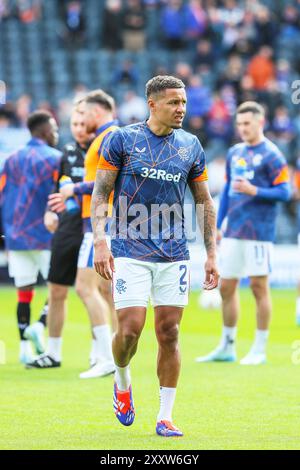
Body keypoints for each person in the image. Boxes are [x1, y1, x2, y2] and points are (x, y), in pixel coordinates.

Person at [91, 75, 219, 437]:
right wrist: (100, 241)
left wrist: (211, 253)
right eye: (174, 102)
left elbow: (204, 202)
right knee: (130, 330)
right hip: (129, 247)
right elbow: (101, 194)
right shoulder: (122, 139)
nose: (181, 109)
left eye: (183, 102)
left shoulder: (191, 146)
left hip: (174, 251)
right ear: (153, 104)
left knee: (170, 331)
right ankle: (121, 379)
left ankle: (165, 416)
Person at [196, 101, 291, 366]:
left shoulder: (272, 155)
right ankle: (227, 346)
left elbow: (285, 192)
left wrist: (255, 191)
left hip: (258, 232)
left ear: (260, 123)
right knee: (227, 287)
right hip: (234, 231)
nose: (242, 128)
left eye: (247, 123)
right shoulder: (235, 152)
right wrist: (217, 223)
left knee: (259, 288)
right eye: (239, 124)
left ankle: (259, 348)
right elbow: (227, 192)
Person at [48, 90, 118, 379]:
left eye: (84, 114)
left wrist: (73, 189)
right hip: (98, 220)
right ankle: (107, 354)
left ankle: (105, 356)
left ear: (98, 112)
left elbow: (106, 181)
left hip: (101, 220)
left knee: (85, 288)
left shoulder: (109, 137)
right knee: (101, 290)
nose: (80, 119)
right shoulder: (105, 137)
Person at [25, 104, 93, 369]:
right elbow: (57, 188)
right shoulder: (67, 152)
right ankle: (53, 354)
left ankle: (102, 354)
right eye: (74, 125)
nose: (77, 129)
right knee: (56, 289)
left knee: (97, 292)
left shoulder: (104, 150)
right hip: (67, 227)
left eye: (82, 124)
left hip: (94, 226)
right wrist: (50, 212)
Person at [0, 111, 61, 364]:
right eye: (55, 128)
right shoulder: (57, 159)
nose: (57, 133)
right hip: (47, 234)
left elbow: (2, 195)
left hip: (16, 235)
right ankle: (40, 324)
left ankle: (24, 349)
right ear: (45, 131)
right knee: (58, 290)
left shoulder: (11, 159)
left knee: (23, 291)